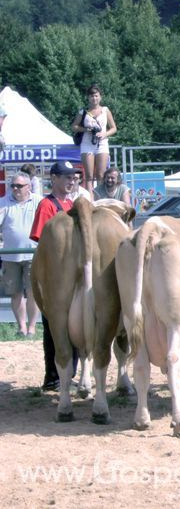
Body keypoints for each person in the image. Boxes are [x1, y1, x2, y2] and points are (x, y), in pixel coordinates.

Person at [30, 161, 81, 391]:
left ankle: (68, 375)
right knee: (54, 327)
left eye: (73, 177)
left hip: (73, 275)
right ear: (53, 178)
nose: (71, 180)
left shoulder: (71, 204)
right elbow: (42, 243)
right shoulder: (47, 205)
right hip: (54, 277)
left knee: (75, 326)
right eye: (66, 176)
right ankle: (53, 378)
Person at [0, 172, 43, 336]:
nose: (16, 189)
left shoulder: (39, 201)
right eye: (13, 185)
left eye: (19, 186)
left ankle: (32, 327)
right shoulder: (3, 202)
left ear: (29, 187)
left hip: (34, 255)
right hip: (10, 256)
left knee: (33, 293)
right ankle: (21, 327)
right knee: (15, 293)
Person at [71, 84, 117, 195]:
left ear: (100, 97)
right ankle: (90, 199)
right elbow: (74, 127)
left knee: (101, 174)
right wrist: (86, 129)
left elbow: (114, 128)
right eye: (91, 96)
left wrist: (104, 134)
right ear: (88, 97)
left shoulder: (105, 110)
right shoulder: (83, 111)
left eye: (96, 96)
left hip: (102, 144)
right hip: (87, 144)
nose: (94, 98)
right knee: (89, 175)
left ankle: (100, 198)